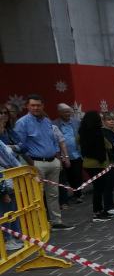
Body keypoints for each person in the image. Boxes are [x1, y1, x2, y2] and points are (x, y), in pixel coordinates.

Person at [14, 95, 73, 230]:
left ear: (43, 106)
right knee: (36, 195)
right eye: (33, 105)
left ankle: (56, 221)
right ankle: (39, 224)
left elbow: (54, 140)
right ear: (27, 106)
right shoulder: (22, 123)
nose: (36, 108)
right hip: (35, 162)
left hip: (52, 161)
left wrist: (58, 158)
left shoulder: (47, 121)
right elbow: (20, 146)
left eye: (38, 105)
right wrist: (31, 165)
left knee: (53, 194)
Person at [79, 111, 114, 222]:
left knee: (98, 188)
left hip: (88, 163)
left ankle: (99, 211)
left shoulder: (82, 132)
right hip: (99, 164)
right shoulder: (98, 132)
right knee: (100, 188)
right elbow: (108, 145)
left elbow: (77, 142)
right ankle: (97, 212)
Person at [54, 103, 83, 207]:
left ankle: (78, 194)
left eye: (69, 112)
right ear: (60, 113)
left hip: (76, 153)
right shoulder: (55, 124)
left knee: (77, 175)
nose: (68, 114)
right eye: (65, 112)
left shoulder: (76, 122)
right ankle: (64, 199)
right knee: (64, 177)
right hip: (62, 155)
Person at [0, 139, 24, 251]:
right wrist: (3, 192)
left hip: (9, 181)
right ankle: (7, 239)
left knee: (13, 211)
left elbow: (21, 148)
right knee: (5, 213)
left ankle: (16, 236)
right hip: (4, 183)